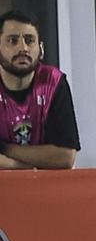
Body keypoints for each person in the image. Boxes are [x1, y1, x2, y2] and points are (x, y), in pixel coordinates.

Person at [0, 10, 80, 169]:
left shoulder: (54, 82)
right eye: (12, 40)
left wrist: (5, 148)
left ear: (41, 49)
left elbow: (65, 157)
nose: (23, 48)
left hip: (47, 191)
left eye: (29, 40)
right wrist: (27, 168)